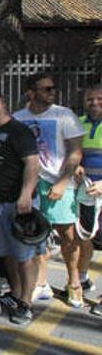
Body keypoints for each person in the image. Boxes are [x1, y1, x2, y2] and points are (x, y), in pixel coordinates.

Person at [14, 73, 85, 306]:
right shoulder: (19, 118)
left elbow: (75, 151)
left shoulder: (64, 115)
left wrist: (64, 181)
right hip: (31, 183)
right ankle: (42, 283)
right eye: (46, 89)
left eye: (52, 88)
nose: (51, 92)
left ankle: (74, 281)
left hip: (58, 181)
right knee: (36, 235)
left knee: (67, 234)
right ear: (30, 92)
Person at [0, 90, 41, 325]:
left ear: (3, 104)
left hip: (17, 204)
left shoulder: (19, 131)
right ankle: (15, 293)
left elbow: (32, 164)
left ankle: (26, 302)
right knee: (6, 254)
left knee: (25, 255)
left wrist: (25, 194)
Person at [77, 84, 102, 315]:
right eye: (90, 99)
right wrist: (78, 166)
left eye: (99, 99)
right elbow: (75, 153)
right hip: (85, 191)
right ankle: (82, 278)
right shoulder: (80, 123)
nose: (94, 103)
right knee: (84, 237)